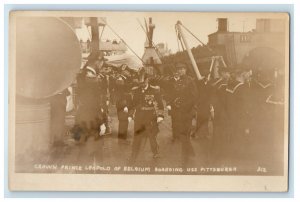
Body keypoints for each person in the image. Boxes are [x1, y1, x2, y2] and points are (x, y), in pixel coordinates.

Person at [73, 51, 107, 161]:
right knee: (92, 151)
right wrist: (101, 122)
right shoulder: (91, 79)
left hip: (84, 116)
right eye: (102, 62)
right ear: (97, 61)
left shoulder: (84, 75)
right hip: (91, 118)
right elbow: (92, 102)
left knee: (86, 149)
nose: (102, 65)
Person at [164, 63, 198, 167]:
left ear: (186, 70)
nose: (180, 71)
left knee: (185, 132)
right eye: (179, 69)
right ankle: (190, 152)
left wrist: (185, 105)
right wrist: (172, 102)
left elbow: (194, 96)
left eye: (182, 69)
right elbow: (173, 94)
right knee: (183, 132)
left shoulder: (190, 81)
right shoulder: (178, 81)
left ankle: (186, 156)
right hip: (179, 111)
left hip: (187, 110)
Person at [128, 68, 164, 164]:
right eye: (140, 83)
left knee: (152, 136)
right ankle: (134, 155)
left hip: (150, 117)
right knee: (137, 137)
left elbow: (160, 104)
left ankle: (155, 152)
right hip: (139, 117)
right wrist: (130, 115)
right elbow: (132, 104)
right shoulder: (136, 91)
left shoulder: (154, 90)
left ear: (147, 80)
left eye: (143, 82)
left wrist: (160, 115)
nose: (142, 85)